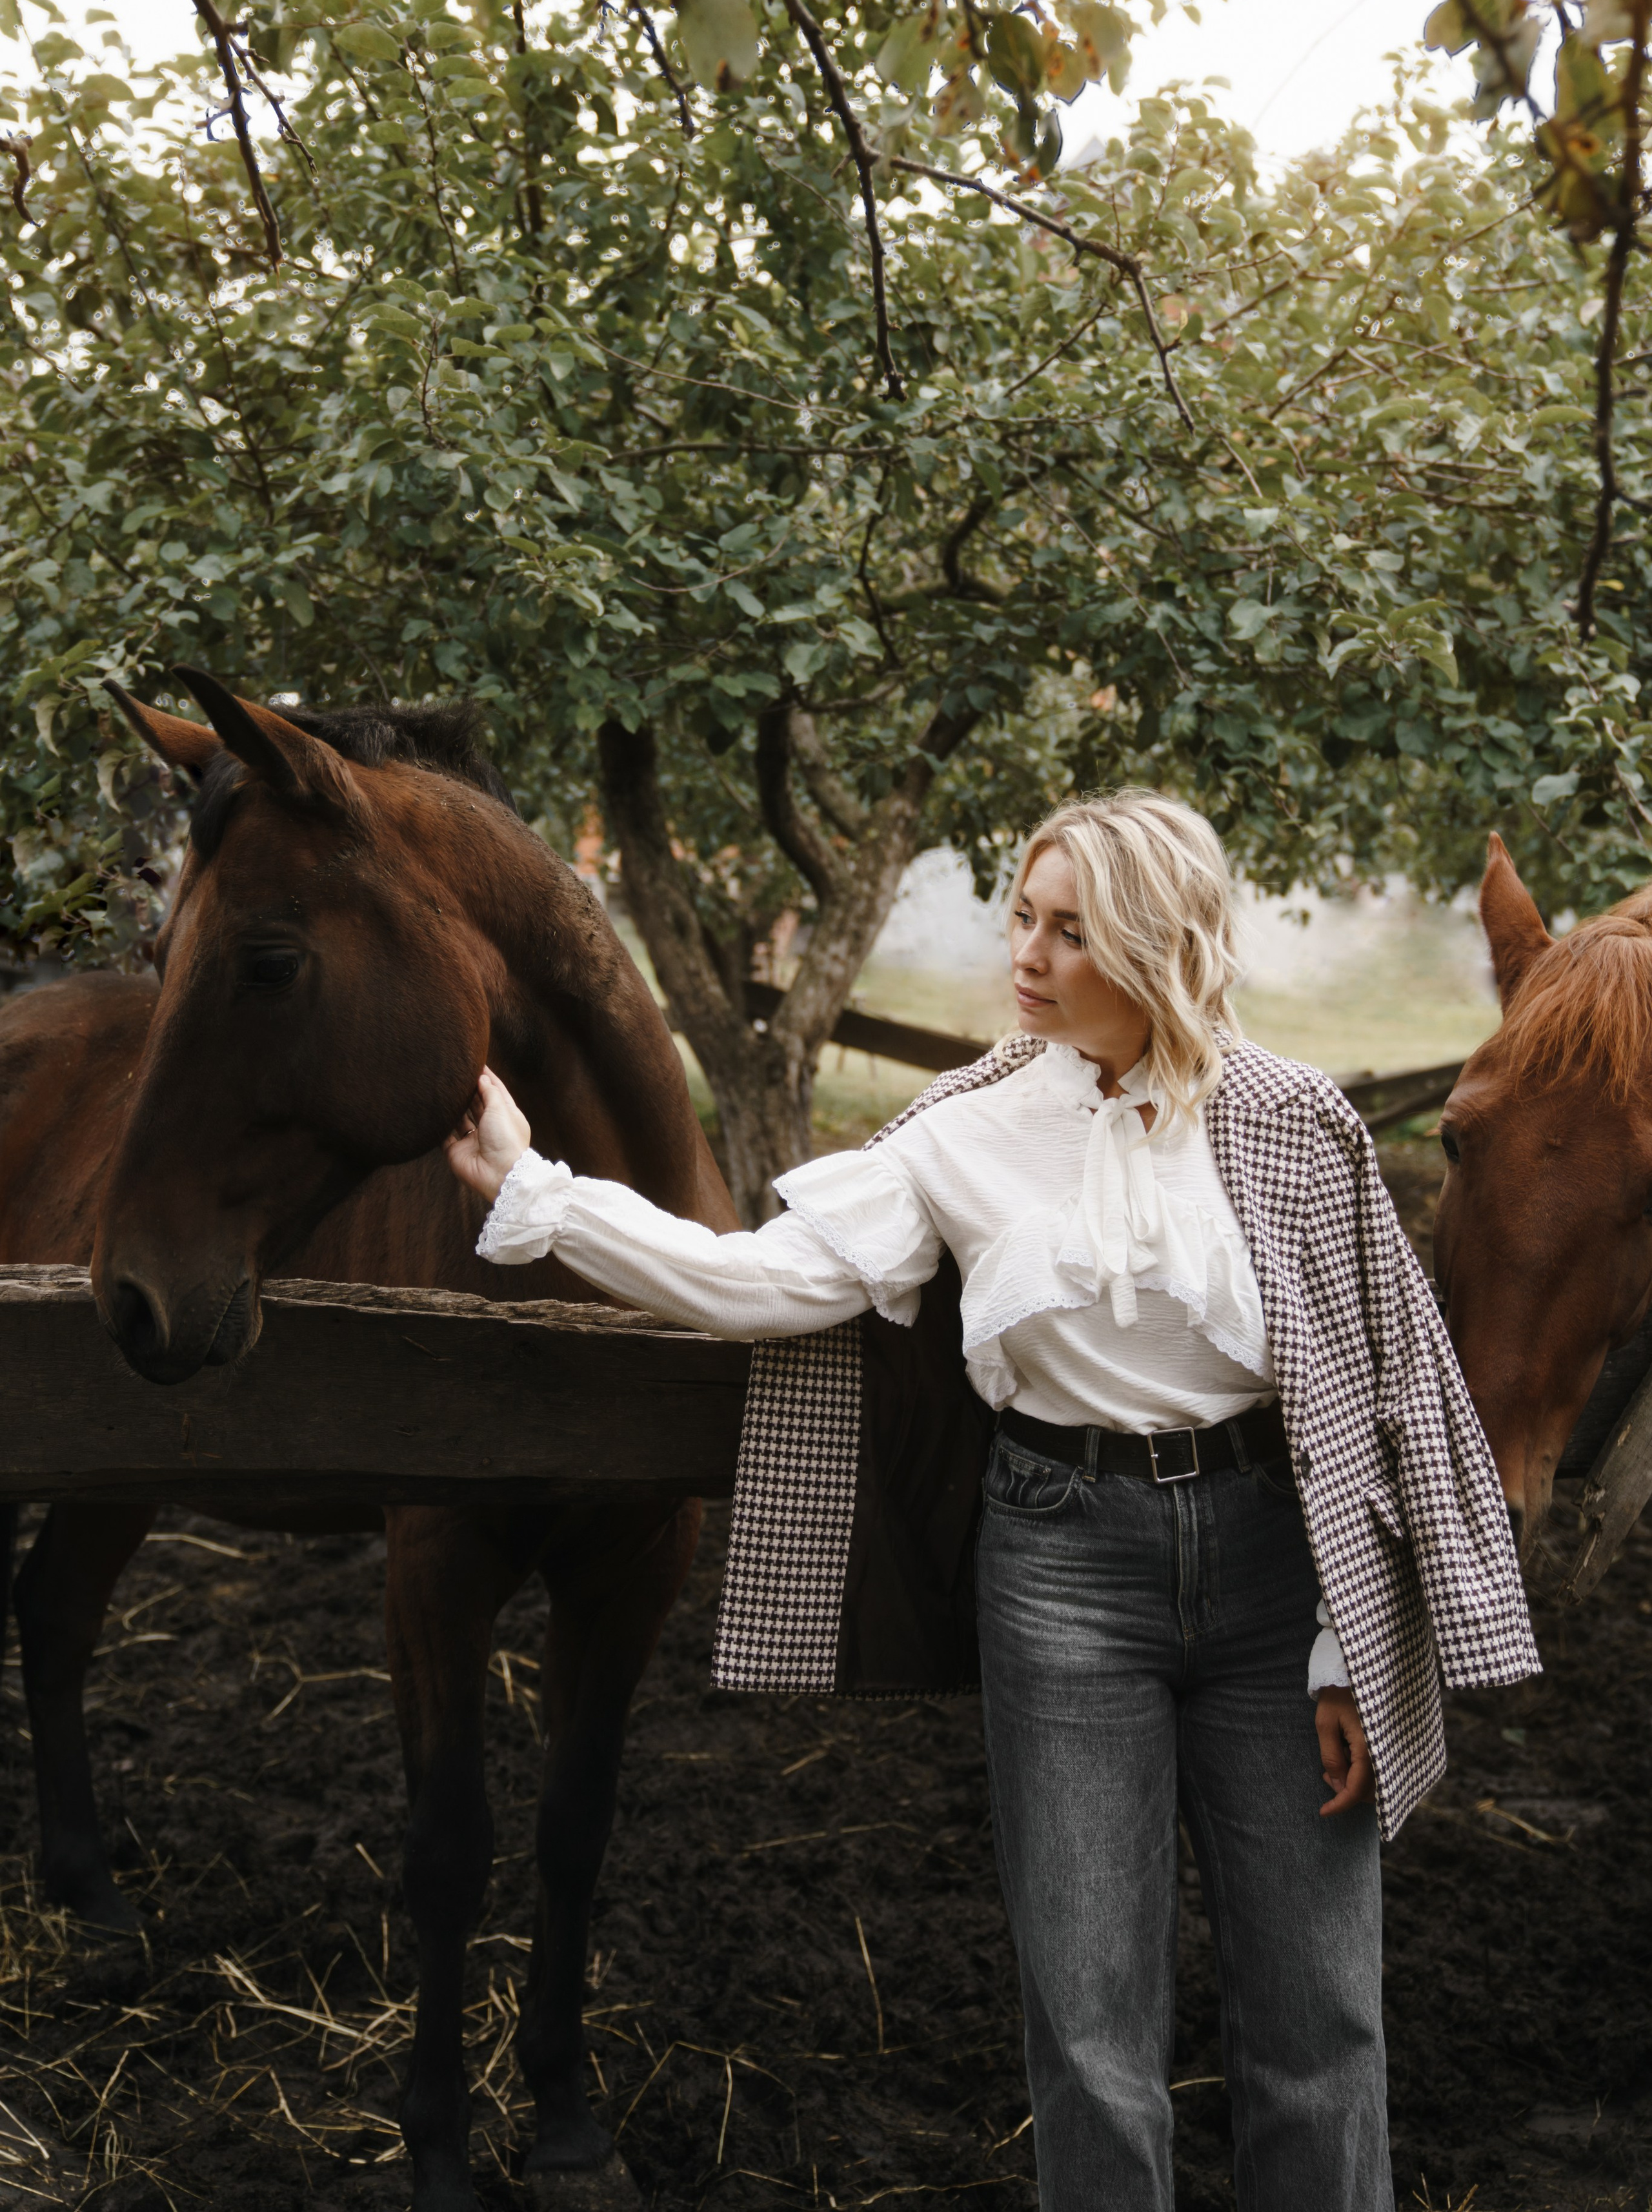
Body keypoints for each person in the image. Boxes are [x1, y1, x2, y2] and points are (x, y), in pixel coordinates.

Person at [445, 789, 1536, 2212]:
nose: (1024, 953)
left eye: (1068, 930)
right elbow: (763, 1284)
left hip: (1277, 1579)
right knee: (1089, 2032)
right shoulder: (958, 1132)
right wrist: (539, 1190)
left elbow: (1370, 1389)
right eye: (1021, 915)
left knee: (1320, 2018)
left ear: (1152, 945)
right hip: (1063, 1574)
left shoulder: (1288, 1121)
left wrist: (1347, 1644)